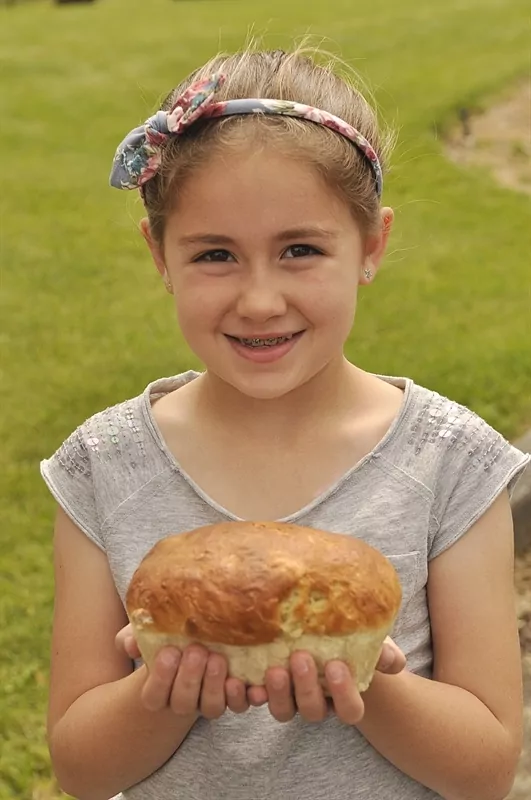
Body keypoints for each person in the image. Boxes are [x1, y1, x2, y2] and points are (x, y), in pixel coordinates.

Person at [40, 46, 530, 800]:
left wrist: (364, 684)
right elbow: (79, 765)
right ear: (158, 255)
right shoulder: (105, 467)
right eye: (214, 255)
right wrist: (161, 694)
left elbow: (487, 768)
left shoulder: (450, 462)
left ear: (371, 246)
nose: (260, 299)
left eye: (300, 249)